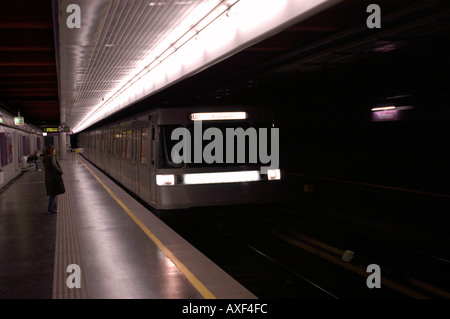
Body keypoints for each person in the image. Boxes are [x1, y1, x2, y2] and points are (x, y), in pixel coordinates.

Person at [43, 145, 64, 214]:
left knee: (53, 194)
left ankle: (53, 208)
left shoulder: (45, 157)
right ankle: (51, 209)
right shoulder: (52, 157)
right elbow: (54, 165)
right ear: (52, 150)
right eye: (54, 150)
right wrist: (60, 171)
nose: (55, 151)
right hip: (53, 177)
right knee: (53, 194)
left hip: (48, 178)